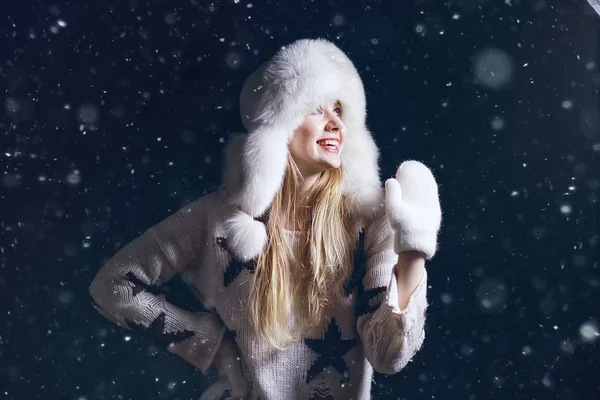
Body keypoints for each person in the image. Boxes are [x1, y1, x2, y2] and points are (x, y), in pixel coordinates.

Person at [89, 38, 442, 400]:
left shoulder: (372, 218)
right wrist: (214, 347)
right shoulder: (217, 218)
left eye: (339, 109)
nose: (336, 123)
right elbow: (112, 286)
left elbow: (387, 357)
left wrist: (414, 251)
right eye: (317, 108)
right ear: (278, 125)